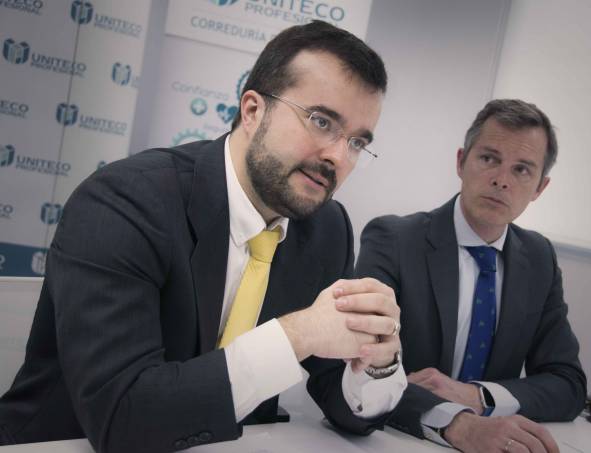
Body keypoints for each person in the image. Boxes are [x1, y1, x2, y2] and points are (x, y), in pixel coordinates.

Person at [0, 21, 406, 452]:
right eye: (321, 121)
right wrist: (297, 335)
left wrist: (376, 363)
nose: (338, 157)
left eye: (357, 143)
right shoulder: (125, 202)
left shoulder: (327, 229)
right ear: (253, 111)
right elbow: (122, 419)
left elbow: (340, 397)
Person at [355, 99, 587, 453]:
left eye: (522, 170)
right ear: (461, 162)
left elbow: (568, 384)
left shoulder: (539, 258)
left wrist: (477, 396)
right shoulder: (394, 240)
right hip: (396, 440)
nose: (501, 180)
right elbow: (360, 369)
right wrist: (456, 421)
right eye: (489, 159)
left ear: (540, 188)